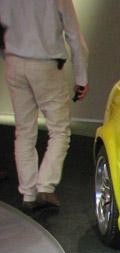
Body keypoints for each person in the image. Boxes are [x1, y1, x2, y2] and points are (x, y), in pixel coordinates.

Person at [0, 0, 88, 212]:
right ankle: (45, 187)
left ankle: (28, 193)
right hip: (46, 65)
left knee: (24, 131)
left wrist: (7, 56)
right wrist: (81, 78)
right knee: (59, 130)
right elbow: (74, 37)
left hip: (14, 62)